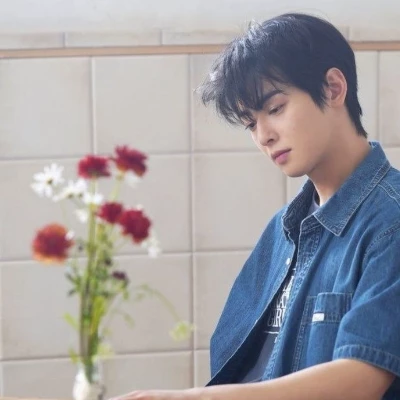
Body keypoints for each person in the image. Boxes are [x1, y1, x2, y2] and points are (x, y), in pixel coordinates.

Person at [112, 12, 400, 400]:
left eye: (275, 108)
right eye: (250, 123)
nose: (264, 136)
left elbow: (361, 380)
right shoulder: (281, 231)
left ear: (333, 88)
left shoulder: (391, 221)